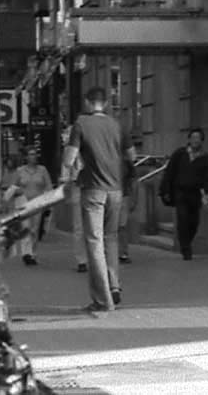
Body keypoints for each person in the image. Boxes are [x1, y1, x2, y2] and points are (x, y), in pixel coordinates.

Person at [59, 87, 136, 315]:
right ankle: (114, 285)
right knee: (111, 238)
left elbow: (69, 159)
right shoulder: (118, 125)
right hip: (116, 189)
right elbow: (131, 156)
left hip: (93, 188)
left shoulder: (81, 124)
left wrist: (72, 160)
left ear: (87, 101)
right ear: (107, 103)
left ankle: (102, 299)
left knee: (94, 241)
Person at [159, 128, 208, 261]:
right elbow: (169, 172)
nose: (195, 140)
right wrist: (165, 190)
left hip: (194, 194)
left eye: (198, 138)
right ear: (189, 139)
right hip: (180, 192)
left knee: (194, 222)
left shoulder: (204, 158)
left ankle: (188, 241)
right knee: (182, 218)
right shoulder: (180, 154)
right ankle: (185, 248)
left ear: (202, 141)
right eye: (193, 138)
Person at [10, 146, 53, 266]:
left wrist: (49, 200)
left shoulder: (42, 170)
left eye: (35, 154)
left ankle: (33, 253)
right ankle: (26, 254)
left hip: (38, 202)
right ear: (26, 157)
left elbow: (49, 186)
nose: (33, 156)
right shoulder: (20, 171)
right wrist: (8, 198)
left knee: (35, 229)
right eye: (31, 154)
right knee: (26, 227)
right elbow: (12, 187)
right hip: (23, 202)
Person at [61, 126, 88, 274]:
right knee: (79, 227)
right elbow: (65, 173)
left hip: (92, 187)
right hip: (77, 187)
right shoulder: (68, 151)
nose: (65, 138)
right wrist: (66, 185)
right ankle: (81, 260)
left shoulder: (89, 148)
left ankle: (96, 257)